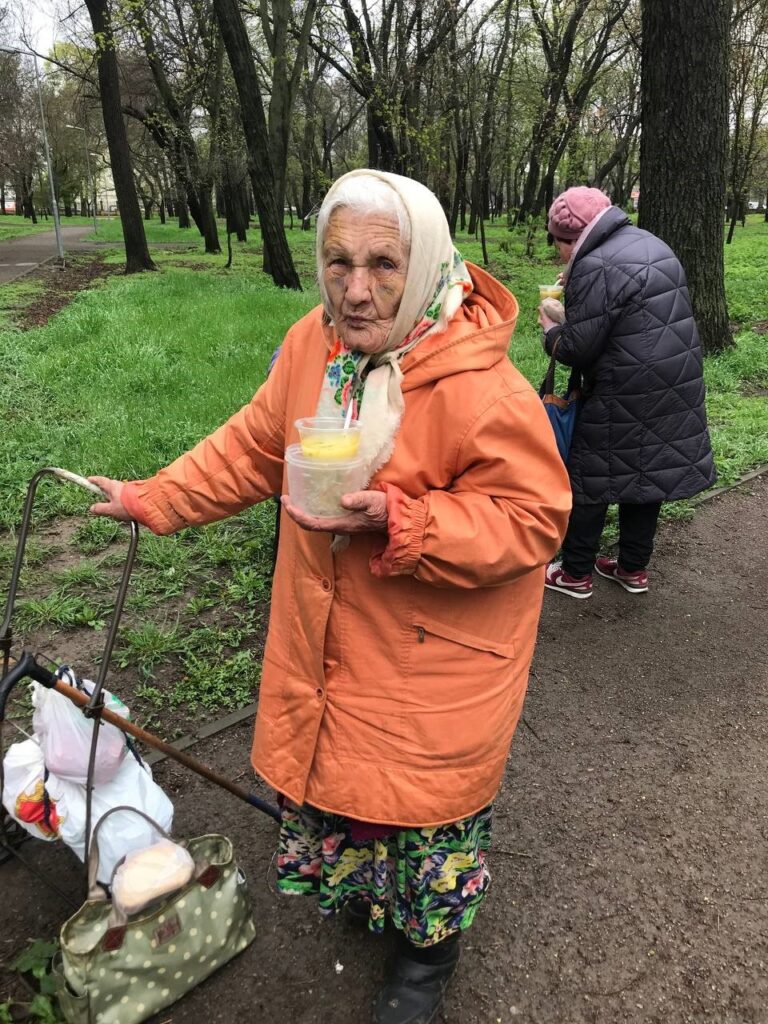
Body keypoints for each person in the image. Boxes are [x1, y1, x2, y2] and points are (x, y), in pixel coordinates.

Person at [90, 169, 571, 1024]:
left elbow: (535, 521)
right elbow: (250, 448)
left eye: (383, 264)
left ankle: (427, 960)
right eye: (337, 261)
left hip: (435, 666)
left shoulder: (480, 386)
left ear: (422, 261)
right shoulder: (313, 348)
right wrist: (149, 498)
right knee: (346, 790)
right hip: (328, 643)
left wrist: (411, 523)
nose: (355, 289)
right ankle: (361, 896)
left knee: (426, 822)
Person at [538, 186, 716, 599]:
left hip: (625, 386)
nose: (560, 255)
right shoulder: (648, 242)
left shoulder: (596, 264)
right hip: (675, 381)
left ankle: (576, 573)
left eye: (560, 245)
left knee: (591, 473)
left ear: (573, 238)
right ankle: (633, 567)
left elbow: (579, 348)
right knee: (646, 470)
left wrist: (551, 330)